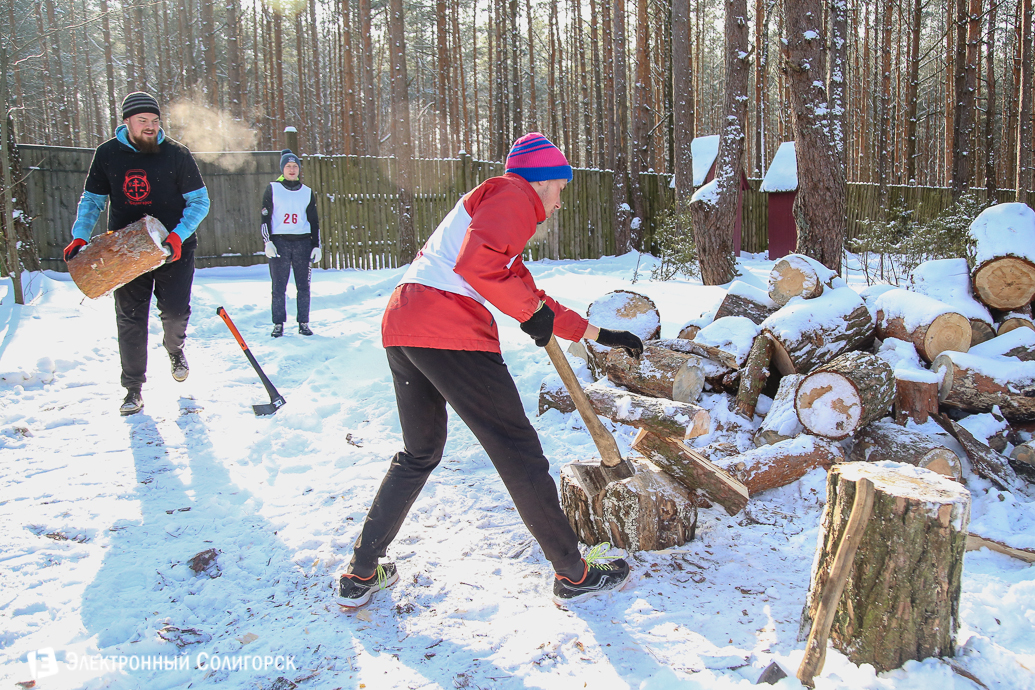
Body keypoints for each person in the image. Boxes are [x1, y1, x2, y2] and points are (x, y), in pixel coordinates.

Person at [337, 132, 645, 609]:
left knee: (419, 453)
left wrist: (597, 335)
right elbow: (480, 268)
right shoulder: (512, 192)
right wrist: (528, 313)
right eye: (561, 186)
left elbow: (524, 290)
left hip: (404, 322)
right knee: (517, 448)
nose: (560, 200)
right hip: (447, 324)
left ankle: (361, 571)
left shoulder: (494, 220)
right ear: (542, 181)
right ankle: (574, 572)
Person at [64, 92, 210, 416]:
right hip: (126, 252)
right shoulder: (107, 155)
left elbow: (200, 202)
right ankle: (133, 389)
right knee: (130, 318)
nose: (150, 127)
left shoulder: (176, 154)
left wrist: (176, 236)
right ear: (127, 121)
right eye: (143, 121)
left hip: (174, 247)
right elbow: (91, 201)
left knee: (174, 313)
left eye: (155, 121)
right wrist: (79, 236)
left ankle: (174, 349)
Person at [260, 150, 321, 337]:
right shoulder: (273, 189)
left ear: (299, 169)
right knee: (279, 286)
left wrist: (316, 244)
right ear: (282, 169)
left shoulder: (307, 192)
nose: (292, 169)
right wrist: (267, 241)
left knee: (304, 286)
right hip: (280, 242)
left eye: (295, 166)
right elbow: (265, 218)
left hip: (303, 243)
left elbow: (313, 221)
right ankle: (278, 323)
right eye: (288, 166)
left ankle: (303, 322)